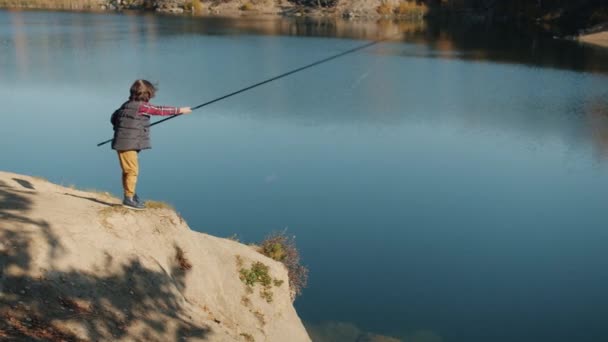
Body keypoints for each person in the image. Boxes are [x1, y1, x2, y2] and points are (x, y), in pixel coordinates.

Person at [110, 80, 192, 210]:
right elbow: (159, 110)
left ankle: (130, 194)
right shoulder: (142, 107)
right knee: (132, 170)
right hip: (128, 144)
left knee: (128, 170)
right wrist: (180, 110)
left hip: (122, 142)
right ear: (147, 94)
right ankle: (128, 198)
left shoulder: (126, 105)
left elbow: (113, 117)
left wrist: (121, 129)